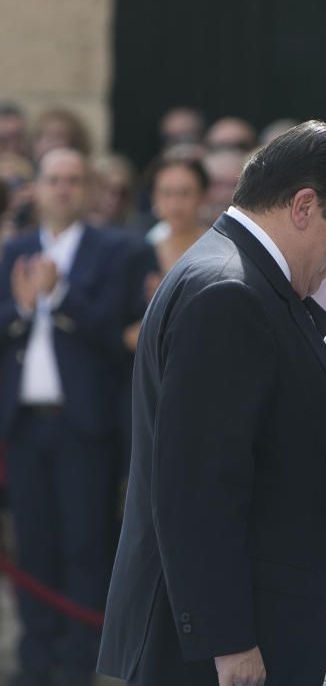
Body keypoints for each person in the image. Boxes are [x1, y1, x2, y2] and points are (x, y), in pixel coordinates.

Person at [97, 121, 326, 686]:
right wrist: (229, 643)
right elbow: (198, 485)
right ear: (304, 206)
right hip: (221, 656)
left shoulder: (245, 278)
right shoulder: (230, 292)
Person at [0, 148, 130, 686]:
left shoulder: (115, 250)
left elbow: (119, 334)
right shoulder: (16, 249)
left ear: (89, 188)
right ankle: (35, 663)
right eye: (54, 179)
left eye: (74, 180)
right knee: (34, 548)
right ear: (39, 187)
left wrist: (63, 296)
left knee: (85, 544)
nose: (63, 189)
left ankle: (80, 663)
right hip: (26, 426)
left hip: (85, 427)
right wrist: (27, 308)